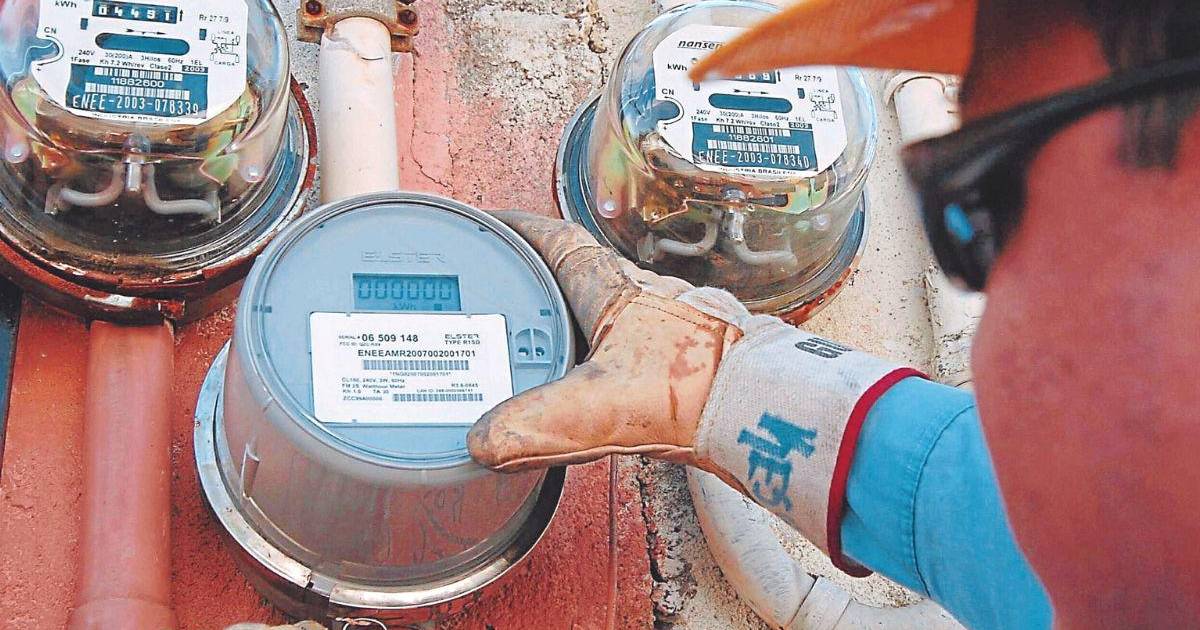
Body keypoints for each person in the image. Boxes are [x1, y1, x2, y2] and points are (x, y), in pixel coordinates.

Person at [467, 0, 1200, 627]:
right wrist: (724, 383)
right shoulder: (1121, 547)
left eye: (991, 207)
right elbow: (1012, 524)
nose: (987, 344)